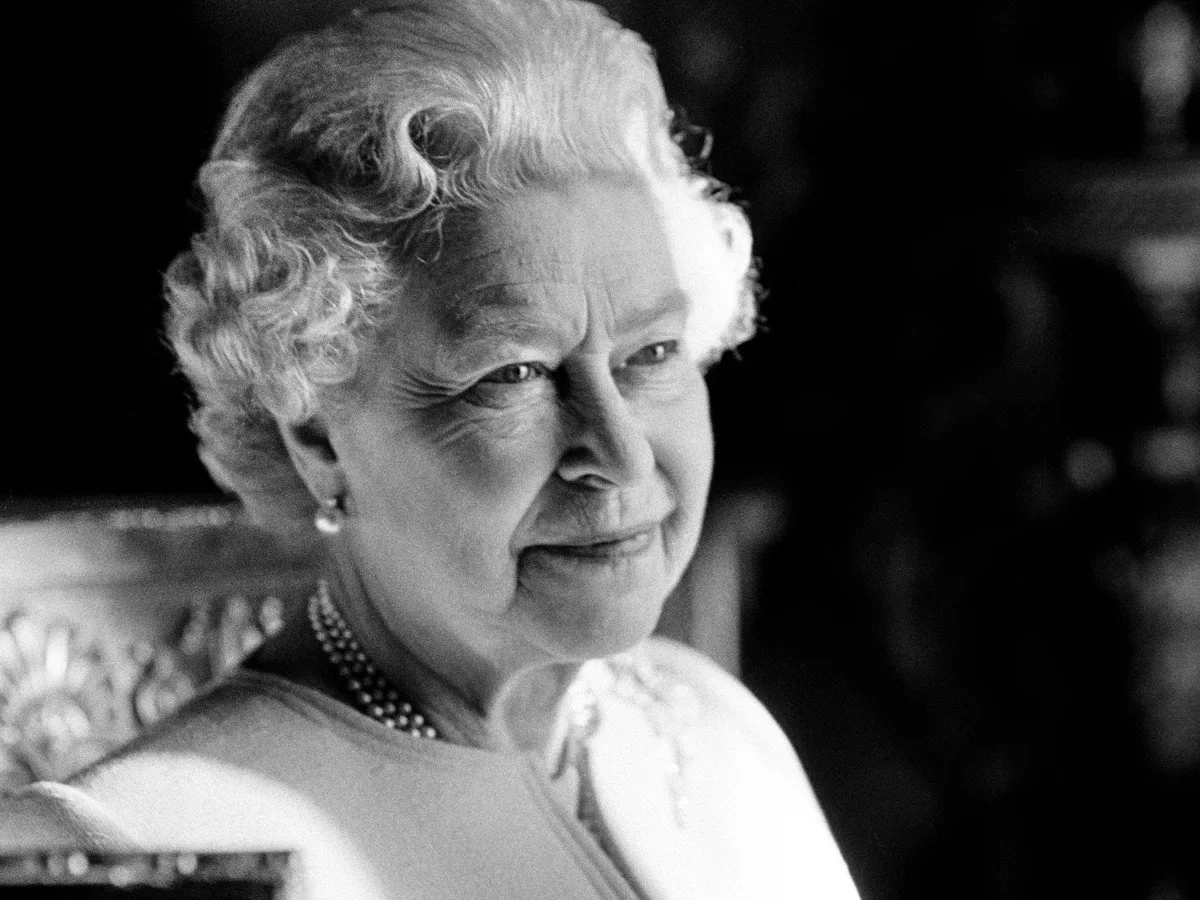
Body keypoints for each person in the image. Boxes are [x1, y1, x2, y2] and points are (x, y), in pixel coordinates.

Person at [0, 1, 860, 897]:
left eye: (651, 355)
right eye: (516, 374)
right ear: (316, 435)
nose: (623, 453)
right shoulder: (142, 850)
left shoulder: (716, 728)